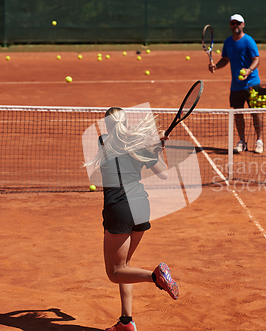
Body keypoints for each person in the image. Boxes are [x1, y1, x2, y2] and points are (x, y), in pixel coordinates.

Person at [85, 107, 179, 331]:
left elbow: (119, 140)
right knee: (124, 266)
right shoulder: (141, 146)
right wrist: (156, 148)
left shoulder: (104, 140)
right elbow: (164, 173)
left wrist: (154, 143)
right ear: (126, 122)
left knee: (115, 272)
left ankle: (156, 277)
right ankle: (126, 322)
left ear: (107, 125)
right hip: (141, 206)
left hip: (119, 209)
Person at [209, 13, 264, 154]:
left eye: (238, 23)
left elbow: (256, 59)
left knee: (255, 114)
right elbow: (225, 59)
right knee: (238, 114)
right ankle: (242, 142)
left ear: (243, 25)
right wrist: (216, 66)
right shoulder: (228, 42)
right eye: (233, 23)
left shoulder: (248, 41)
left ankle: (259, 141)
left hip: (252, 84)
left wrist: (249, 70)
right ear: (230, 25)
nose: (235, 26)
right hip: (236, 86)